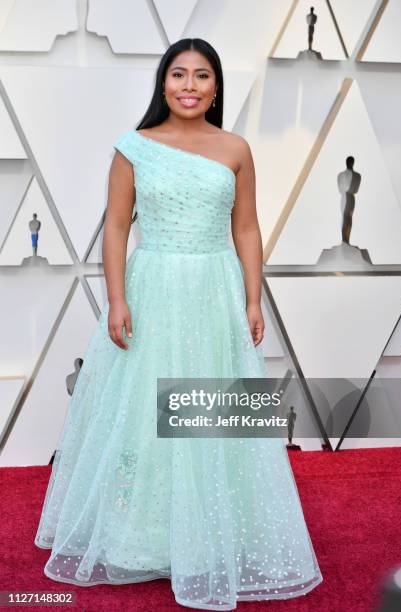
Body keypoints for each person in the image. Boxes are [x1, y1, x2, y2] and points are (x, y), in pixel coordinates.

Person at [34, 38, 323, 610]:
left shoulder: (236, 149)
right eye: (178, 75)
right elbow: (116, 227)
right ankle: (143, 537)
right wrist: (116, 299)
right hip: (154, 287)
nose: (189, 86)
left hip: (214, 289)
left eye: (202, 76)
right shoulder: (134, 148)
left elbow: (246, 229)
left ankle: (215, 531)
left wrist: (252, 298)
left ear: (216, 88)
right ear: (163, 84)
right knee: (146, 412)